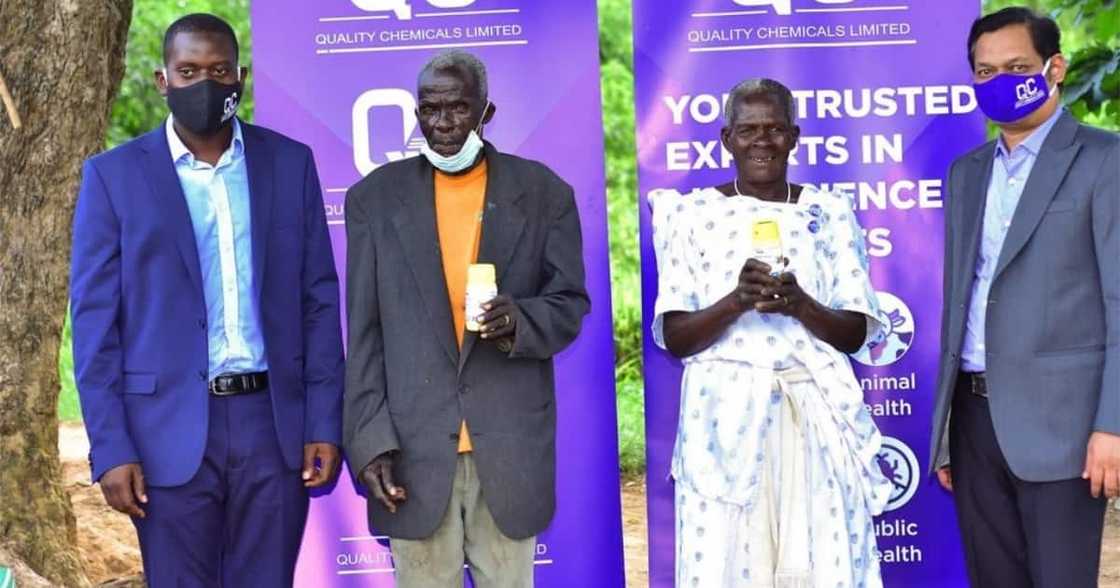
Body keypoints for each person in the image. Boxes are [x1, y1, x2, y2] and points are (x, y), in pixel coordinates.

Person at [69, 13, 344, 586]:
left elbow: (318, 300)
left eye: (220, 70)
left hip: (272, 427)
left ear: (240, 77)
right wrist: (111, 447)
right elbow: (95, 325)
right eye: (188, 71)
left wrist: (323, 420)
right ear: (162, 80)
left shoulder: (289, 164)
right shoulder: (113, 177)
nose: (206, 84)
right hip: (163, 431)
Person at [342, 50, 589, 588]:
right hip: (411, 452)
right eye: (430, 110)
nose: (444, 123)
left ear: (487, 112)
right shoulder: (374, 201)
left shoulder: (545, 193)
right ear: (416, 113)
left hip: (508, 448)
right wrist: (368, 442)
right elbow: (363, 335)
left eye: (458, 108)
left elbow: (571, 303)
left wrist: (519, 320)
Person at [650, 78, 891, 588]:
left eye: (775, 128)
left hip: (815, 414)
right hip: (723, 421)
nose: (762, 140)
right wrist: (737, 301)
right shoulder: (690, 215)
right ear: (726, 138)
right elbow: (676, 337)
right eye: (748, 129)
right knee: (728, 563)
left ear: (795, 136)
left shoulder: (829, 213)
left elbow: (853, 334)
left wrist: (802, 304)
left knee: (824, 562)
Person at [928, 6, 1120, 587]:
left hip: (1066, 426)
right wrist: (945, 434)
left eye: (1017, 67)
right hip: (974, 420)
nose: (1000, 82)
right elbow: (961, 301)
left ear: (1054, 67)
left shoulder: (1104, 160)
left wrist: (1112, 426)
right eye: (985, 73)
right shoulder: (967, 173)